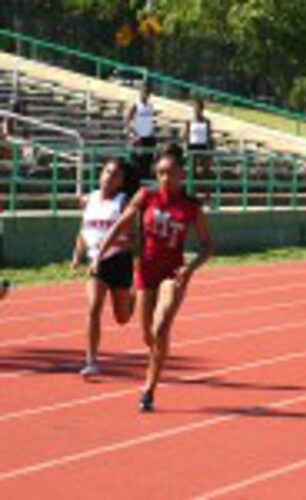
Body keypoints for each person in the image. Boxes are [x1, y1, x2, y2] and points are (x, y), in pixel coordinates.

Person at [93, 147, 213, 411]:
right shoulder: (146, 196)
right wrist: (99, 255)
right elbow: (120, 225)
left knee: (161, 329)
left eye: (170, 173)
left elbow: (207, 246)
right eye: (160, 173)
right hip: (145, 272)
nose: (165, 178)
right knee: (149, 337)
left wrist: (190, 267)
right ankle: (158, 355)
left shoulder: (191, 206)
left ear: (182, 174)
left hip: (173, 274)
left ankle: (148, 390)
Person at [71, 158, 136, 376]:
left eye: (115, 174)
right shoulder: (88, 200)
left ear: (121, 182)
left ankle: (131, 300)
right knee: (93, 308)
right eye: (106, 171)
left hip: (119, 261)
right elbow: (83, 230)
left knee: (122, 318)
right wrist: (76, 256)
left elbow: (134, 239)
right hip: (95, 262)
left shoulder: (123, 202)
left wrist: (114, 243)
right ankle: (91, 360)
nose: (109, 177)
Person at [125, 86, 157, 183]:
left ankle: (146, 179)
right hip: (138, 137)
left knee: (148, 159)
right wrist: (133, 135)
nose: (145, 95)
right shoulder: (135, 105)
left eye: (147, 93)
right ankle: (136, 180)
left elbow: (150, 121)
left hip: (148, 136)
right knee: (137, 160)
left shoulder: (150, 106)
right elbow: (127, 120)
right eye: (143, 92)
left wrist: (152, 133)